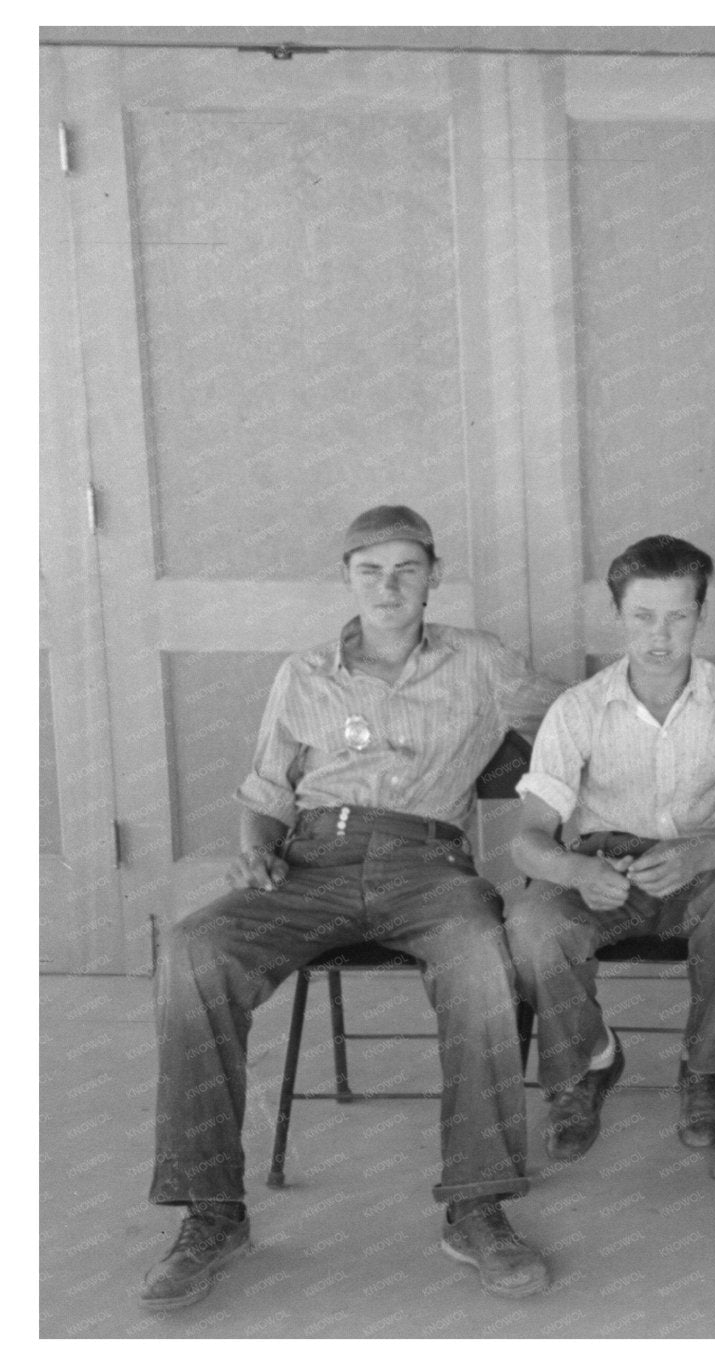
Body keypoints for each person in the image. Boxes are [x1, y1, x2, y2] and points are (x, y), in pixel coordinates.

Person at [144, 505, 564, 1309]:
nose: (389, 586)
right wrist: (257, 847)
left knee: (483, 957)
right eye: (371, 570)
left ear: (434, 576)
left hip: (429, 865)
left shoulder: (483, 661)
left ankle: (477, 1205)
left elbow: (582, 722)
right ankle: (212, 1213)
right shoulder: (304, 672)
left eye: (407, 569)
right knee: (194, 949)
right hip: (312, 860)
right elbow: (267, 792)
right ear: (347, 578)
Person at [504, 536, 715, 1165]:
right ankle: (590, 1060)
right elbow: (527, 839)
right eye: (643, 616)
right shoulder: (578, 708)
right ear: (617, 615)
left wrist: (699, 856)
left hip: (704, 865)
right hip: (605, 868)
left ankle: (705, 1068)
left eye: (678, 615)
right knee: (531, 924)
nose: (660, 635)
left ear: (702, 615)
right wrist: (576, 869)